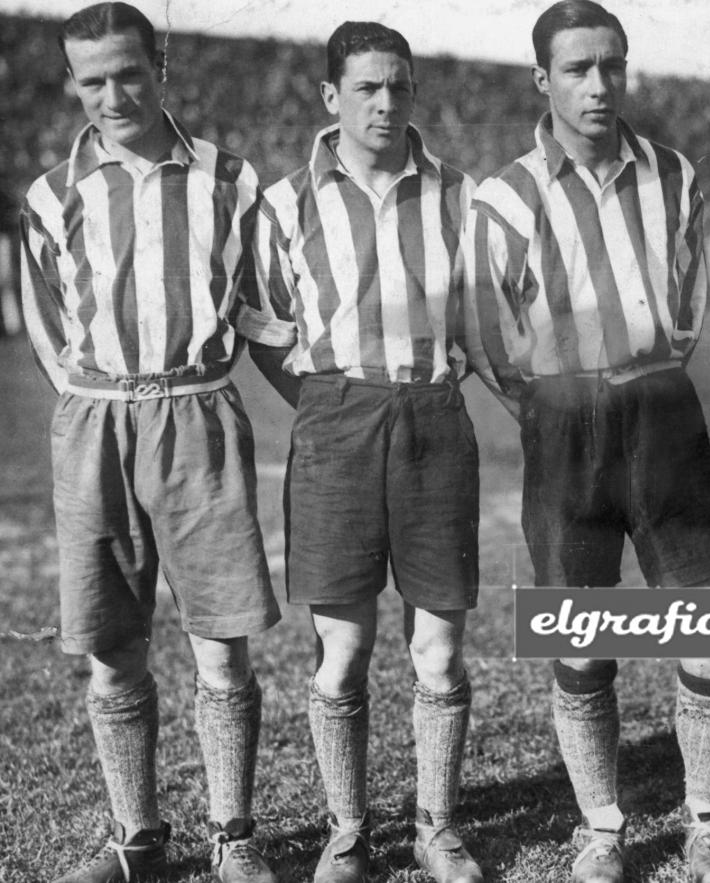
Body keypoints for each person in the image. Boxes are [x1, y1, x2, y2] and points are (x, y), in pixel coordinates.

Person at [463, 2, 710, 881]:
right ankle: (602, 827)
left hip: (662, 409)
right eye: (578, 68)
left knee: (705, 621)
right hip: (563, 422)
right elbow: (486, 334)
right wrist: (553, 408)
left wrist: (644, 378)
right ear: (542, 79)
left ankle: (707, 822)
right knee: (580, 634)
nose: (598, 85)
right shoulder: (504, 194)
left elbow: (688, 302)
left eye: (612, 65)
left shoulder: (673, 172)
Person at [18, 3, 280, 882]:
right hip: (96, 422)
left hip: (198, 415)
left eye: (129, 73)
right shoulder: (52, 195)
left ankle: (232, 832)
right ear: (70, 84)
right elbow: (47, 318)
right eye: (92, 80)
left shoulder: (231, 182)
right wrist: (91, 404)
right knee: (111, 644)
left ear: (159, 66)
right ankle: (137, 839)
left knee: (221, 639)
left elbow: (254, 311)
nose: (114, 93)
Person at [240, 20, 482, 883]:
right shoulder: (282, 203)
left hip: (434, 420)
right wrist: (324, 402)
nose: (386, 103)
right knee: (341, 650)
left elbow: (485, 323)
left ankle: (438, 826)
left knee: (440, 649)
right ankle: (347, 829)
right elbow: (264, 330)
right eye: (368, 87)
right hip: (337, 419)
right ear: (330, 96)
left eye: (401, 86)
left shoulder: (459, 193)